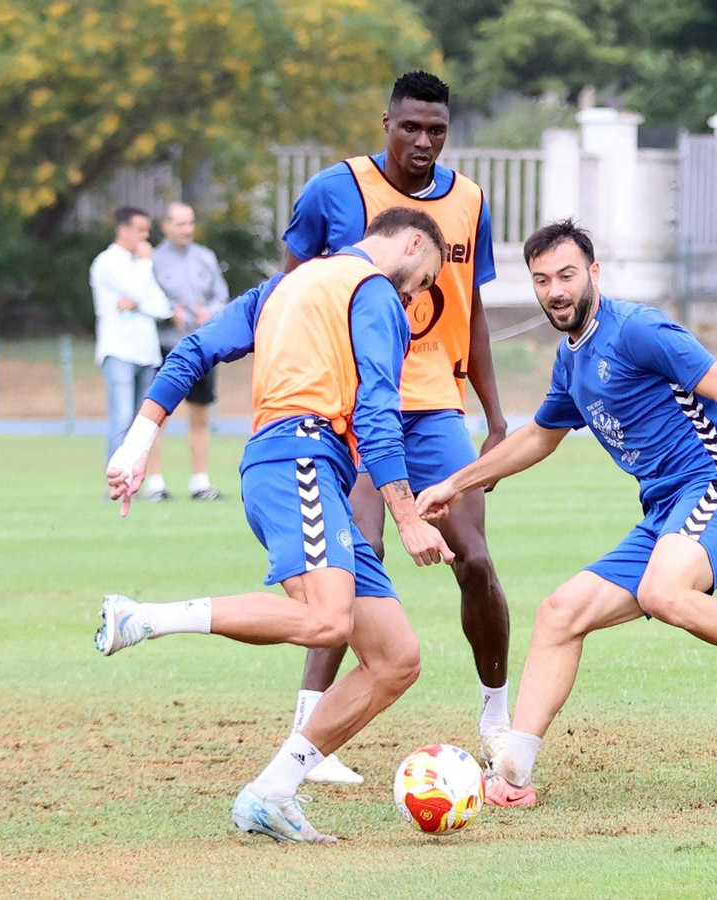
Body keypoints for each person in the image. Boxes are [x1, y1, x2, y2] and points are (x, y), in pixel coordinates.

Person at [416, 220, 717, 808]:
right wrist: (455, 484)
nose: (555, 291)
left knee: (664, 591)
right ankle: (514, 775)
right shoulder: (571, 361)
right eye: (542, 280)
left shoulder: (637, 329)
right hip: (665, 509)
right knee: (560, 612)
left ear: (594, 273)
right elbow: (539, 437)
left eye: (566, 275)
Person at [94, 207, 453, 844]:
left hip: (297, 469)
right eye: (425, 279)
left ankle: (272, 793)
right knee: (327, 622)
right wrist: (407, 517)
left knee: (395, 658)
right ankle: (143, 617)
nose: (416, 295)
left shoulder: (284, 286)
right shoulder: (373, 289)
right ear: (412, 244)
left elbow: (195, 347)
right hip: (300, 460)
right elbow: (377, 411)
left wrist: (138, 437)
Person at [279, 70, 511, 785]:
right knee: (356, 557)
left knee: (473, 556)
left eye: (436, 130)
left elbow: (471, 311)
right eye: (411, 126)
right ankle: (310, 733)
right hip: (352, 408)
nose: (423, 141)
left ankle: (498, 715)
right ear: (386, 123)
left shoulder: (470, 200)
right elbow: (289, 294)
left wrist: (495, 414)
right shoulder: (335, 190)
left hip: (437, 406)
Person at [148, 201, 231, 502]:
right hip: (166, 347)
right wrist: (169, 312)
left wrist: (210, 313)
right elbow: (147, 297)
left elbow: (221, 295)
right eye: (180, 224)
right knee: (157, 415)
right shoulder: (153, 260)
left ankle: (200, 481)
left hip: (200, 348)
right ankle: (155, 483)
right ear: (166, 226)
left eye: (190, 223)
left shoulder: (205, 257)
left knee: (200, 414)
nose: (186, 229)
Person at [90, 206, 171, 471]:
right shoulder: (107, 262)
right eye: (140, 230)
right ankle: (115, 477)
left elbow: (162, 307)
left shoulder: (139, 265)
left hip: (146, 351)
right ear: (123, 230)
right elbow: (136, 290)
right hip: (119, 350)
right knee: (122, 418)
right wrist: (146, 265)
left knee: (140, 423)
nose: (145, 237)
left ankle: (134, 478)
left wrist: (138, 305)